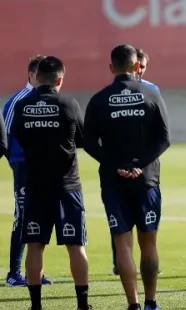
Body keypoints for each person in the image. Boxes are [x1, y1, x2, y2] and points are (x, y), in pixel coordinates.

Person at [84, 44, 170, 310]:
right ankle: (151, 302)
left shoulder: (99, 99)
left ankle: (132, 304)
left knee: (122, 244)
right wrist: (140, 165)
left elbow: (88, 142)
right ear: (136, 66)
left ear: (111, 67)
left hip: (113, 181)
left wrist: (116, 164)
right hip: (147, 181)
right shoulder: (151, 94)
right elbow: (164, 139)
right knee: (149, 244)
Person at [11, 56, 90, 310]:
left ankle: (35, 306)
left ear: (37, 78)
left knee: (34, 246)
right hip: (67, 186)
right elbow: (82, 139)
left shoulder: (23, 106)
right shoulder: (69, 104)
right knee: (76, 246)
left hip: (35, 186)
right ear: (60, 79)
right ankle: (82, 304)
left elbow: (20, 138)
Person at [110, 47, 163, 276]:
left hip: (147, 167)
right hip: (121, 168)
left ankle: (148, 264)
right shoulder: (115, 94)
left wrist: (142, 161)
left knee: (148, 226)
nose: (139, 71)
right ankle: (120, 262)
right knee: (121, 221)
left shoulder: (152, 90)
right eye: (137, 66)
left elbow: (159, 132)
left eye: (143, 67)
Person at [2, 55, 52, 287]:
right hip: (23, 167)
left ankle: (35, 271)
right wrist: (16, 164)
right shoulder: (17, 101)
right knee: (22, 217)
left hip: (44, 167)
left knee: (40, 216)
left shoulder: (48, 99)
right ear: (32, 74)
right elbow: (5, 137)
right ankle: (13, 273)